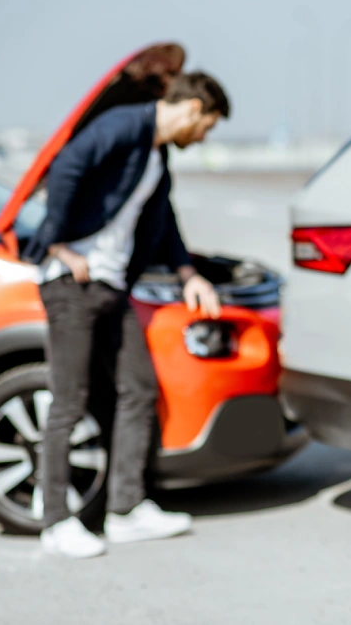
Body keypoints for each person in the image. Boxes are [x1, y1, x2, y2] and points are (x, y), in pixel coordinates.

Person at [23, 72, 230, 558]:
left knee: (137, 390)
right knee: (69, 402)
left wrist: (189, 274)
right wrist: (58, 244)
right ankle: (56, 523)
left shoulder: (155, 156)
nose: (202, 138)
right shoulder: (124, 125)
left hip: (110, 287)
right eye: (206, 127)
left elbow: (165, 221)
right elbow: (66, 165)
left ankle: (125, 510)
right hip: (71, 284)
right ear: (193, 109)